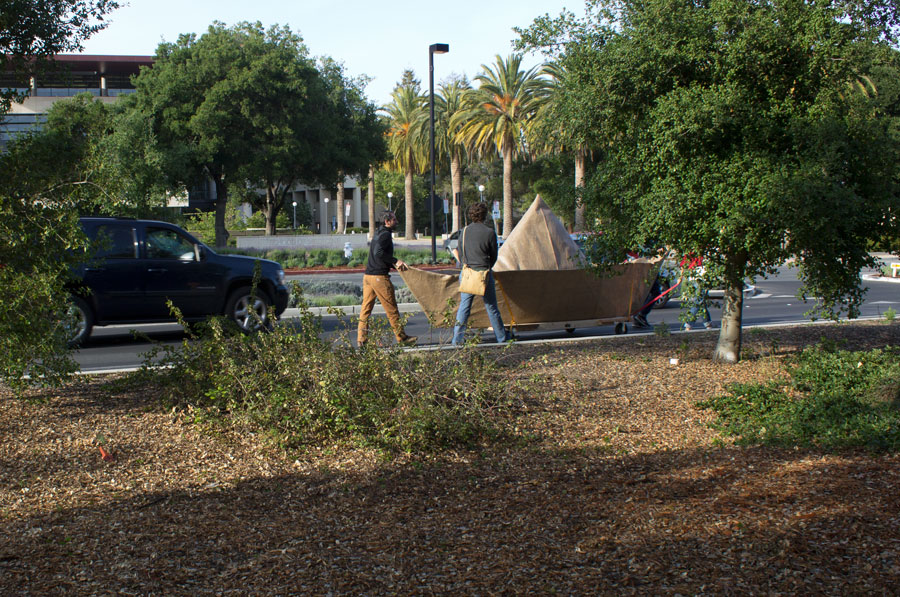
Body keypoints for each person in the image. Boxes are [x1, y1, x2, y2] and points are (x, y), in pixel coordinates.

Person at [452, 203, 510, 345]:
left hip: (468, 273)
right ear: (484, 215)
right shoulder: (489, 232)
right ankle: (501, 337)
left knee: (464, 308)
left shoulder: (464, 231)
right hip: (484, 273)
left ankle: (457, 340)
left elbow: (460, 251)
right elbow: (494, 255)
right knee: (491, 307)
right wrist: (488, 266)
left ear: (470, 215)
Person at [357, 211, 417, 347]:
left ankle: (361, 340)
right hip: (379, 277)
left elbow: (378, 253)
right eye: (394, 220)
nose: (396, 222)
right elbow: (378, 253)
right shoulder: (385, 235)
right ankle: (402, 338)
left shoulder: (378, 233)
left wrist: (393, 263)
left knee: (365, 309)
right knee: (391, 308)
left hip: (368, 276)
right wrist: (395, 260)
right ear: (387, 222)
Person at [680, 254, 712, 331]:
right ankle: (690, 324)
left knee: (699, 301)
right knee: (698, 301)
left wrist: (681, 277)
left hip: (695, 277)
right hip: (698, 277)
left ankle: (706, 324)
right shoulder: (698, 251)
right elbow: (684, 264)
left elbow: (683, 264)